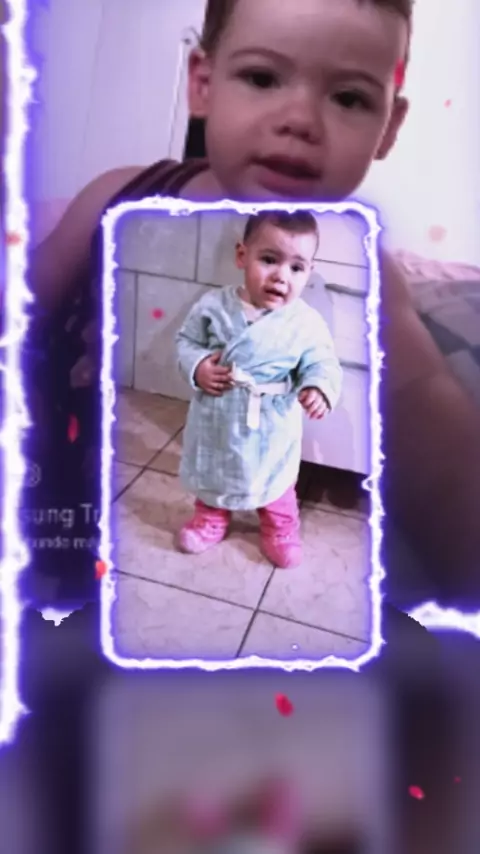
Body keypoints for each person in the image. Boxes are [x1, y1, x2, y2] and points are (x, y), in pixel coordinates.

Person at [27, 0, 480, 607]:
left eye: (349, 97)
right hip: (63, 452)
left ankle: (276, 527)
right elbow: (27, 298)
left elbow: (420, 397)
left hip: (269, 430)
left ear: (388, 127)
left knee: (271, 486)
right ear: (203, 84)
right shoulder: (120, 195)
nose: (300, 120)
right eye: (263, 78)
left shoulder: (369, 262)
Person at [176, 211, 342, 568]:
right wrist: (198, 365)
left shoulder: (305, 322)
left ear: (309, 272)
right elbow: (186, 341)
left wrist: (318, 386)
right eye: (269, 260)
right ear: (242, 256)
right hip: (219, 412)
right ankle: (210, 517)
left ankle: (280, 529)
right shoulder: (213, 306)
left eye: (296, 268)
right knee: (215, 469)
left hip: (271, 419)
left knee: (275, 477)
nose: (281, 276)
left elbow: (322, 362)